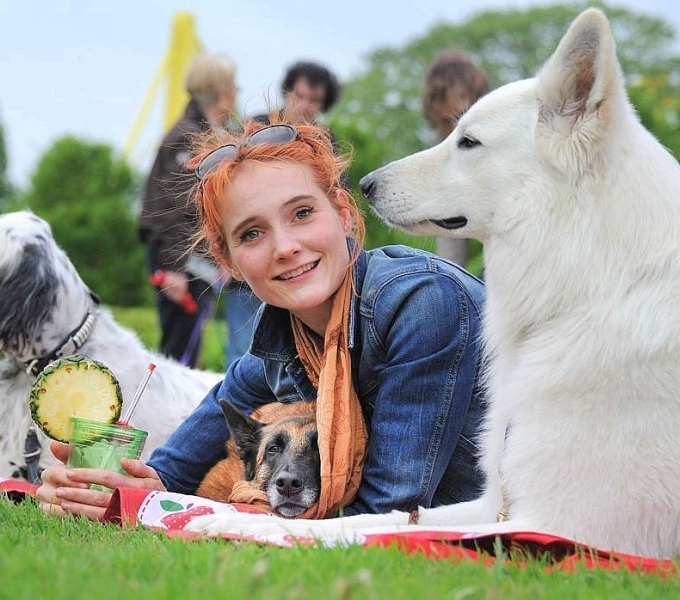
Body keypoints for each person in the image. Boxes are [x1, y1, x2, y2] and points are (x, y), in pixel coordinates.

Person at [36, 119, 487, 522]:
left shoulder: (421, 304)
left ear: (345, 217)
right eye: (252, 233)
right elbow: (167, 474)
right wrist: (105, 491)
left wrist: (235, 516)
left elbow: (387, 510)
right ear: (228, 261)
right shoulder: (277, 345)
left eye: (302, 213)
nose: (285, 246)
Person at [220, 60, 345, 367]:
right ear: (288, 93)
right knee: (244, 351)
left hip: (308, 273)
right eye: (300, 96)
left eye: (314, 101)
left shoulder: (326, 143)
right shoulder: (251, 131)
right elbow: (220, 200)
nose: (305, 106)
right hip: (250, 276)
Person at [138, 52, 238, 367]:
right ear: (221, 92)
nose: (237, 93)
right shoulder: (187, 137)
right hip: (181, 263)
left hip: (195, 262)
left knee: (186, 352)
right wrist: (173, 269)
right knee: (176, 355)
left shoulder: (207, 133)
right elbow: (177, 207)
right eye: (235, 86)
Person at [421, 50, 490, 268]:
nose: (454, 129)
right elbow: (447, 219)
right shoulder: (441, 143)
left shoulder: (498, 132)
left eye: (461, 117)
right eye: (446, 120)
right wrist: (451, 273)